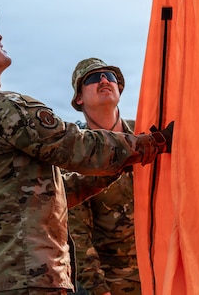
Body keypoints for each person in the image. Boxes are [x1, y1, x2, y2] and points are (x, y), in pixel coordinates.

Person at [0, 9, 174, 295]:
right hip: (28, 280)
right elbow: (75, 146)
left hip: (12, 278)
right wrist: (152, 144)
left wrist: (116, 167)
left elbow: (49, 194)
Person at [67, 58, 140, 295]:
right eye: (92, 78)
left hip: (171, 267)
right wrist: (100, 291)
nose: (103, 80)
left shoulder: (149, 134)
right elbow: (79, 240)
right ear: (79, 98)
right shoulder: (75, 157)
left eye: (110, 76)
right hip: (122, 282)